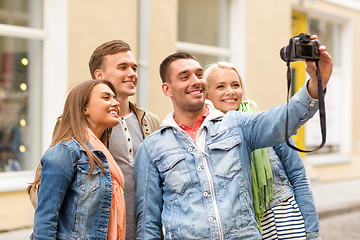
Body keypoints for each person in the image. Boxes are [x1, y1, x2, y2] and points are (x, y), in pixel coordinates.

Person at [134, 37, 332, 240]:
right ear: (167, 89)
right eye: (185, 77)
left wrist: (317, 83)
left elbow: (282, 119)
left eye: (199, 74)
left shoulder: (236, 124)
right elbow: (147, 223)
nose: (195, 81)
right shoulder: (152, 147)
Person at [205, 61, 320, 240]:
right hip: (245, 228)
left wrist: (312, 232)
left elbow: (298, 177)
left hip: (286, 221)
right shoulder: (205, 137)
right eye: (221, 86)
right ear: (207, 94)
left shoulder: (264, 123)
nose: (230, 91)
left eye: (235, 85)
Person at [30, 79, 126, 239]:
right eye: (106, 97)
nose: (116, 102)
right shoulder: (65, 152)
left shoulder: (103, 155)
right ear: (84, 108)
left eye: (115, 97)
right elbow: (45, 223)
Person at [88, 40, 161, 239]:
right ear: (99, 75)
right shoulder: (77, 123)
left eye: (134, 67)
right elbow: (43, 186)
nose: (132, 73)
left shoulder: (151, 121)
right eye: (123, 67)